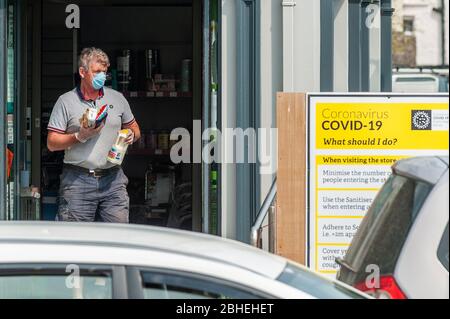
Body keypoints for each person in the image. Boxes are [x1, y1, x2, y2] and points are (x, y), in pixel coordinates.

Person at [47, 47, 141, 223]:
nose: (102, 76)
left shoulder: (117, 98)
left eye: (104, 72)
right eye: (97, 71)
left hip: (113, 179)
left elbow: (135, 129)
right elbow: (52, 143)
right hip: (78, 180)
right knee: (76, 242)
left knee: (118, 238)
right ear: (82, 72)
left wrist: (130, 134)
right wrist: (79, 136)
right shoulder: (66, 101)